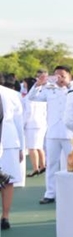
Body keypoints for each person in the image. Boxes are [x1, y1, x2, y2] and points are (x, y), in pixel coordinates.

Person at [27, 65, 73, 204]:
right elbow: (32, 97)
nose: (59, 78)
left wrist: (67, 84)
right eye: (56, 75)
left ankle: (71, 192)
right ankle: (50, 193)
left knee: (72, 164)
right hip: (53, 132)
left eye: (62, 75)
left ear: (69, 76)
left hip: (69, 133)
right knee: (51, 164)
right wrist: (39, 84)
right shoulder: (49, 89)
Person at [0, 78, 25, 229]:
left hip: (9, 140)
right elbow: (19, 123)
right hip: (10, 141)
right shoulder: (13, 94)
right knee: (8, 180)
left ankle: (5, 216)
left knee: (8, 180)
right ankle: (5, 216)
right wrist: (21, 147)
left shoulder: (13, 95)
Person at [23, 69, 48, 176]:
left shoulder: (29, 97)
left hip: (32, 124)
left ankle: (35, 168)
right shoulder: (41, 96)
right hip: (42, 124)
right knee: (39, 146)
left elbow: (27, 112)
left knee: (32, 148)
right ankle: (42, 165)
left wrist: (23, 124)